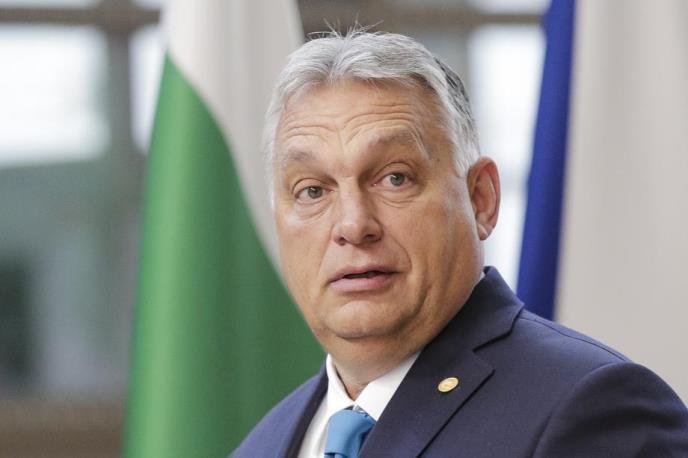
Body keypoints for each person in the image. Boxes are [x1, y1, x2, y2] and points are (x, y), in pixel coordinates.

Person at [232, 30, 688, 457]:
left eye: (395, 178)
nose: (353, 225)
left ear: (481, 199)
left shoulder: (593, 408)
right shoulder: (261, 445)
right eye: (312, 190)